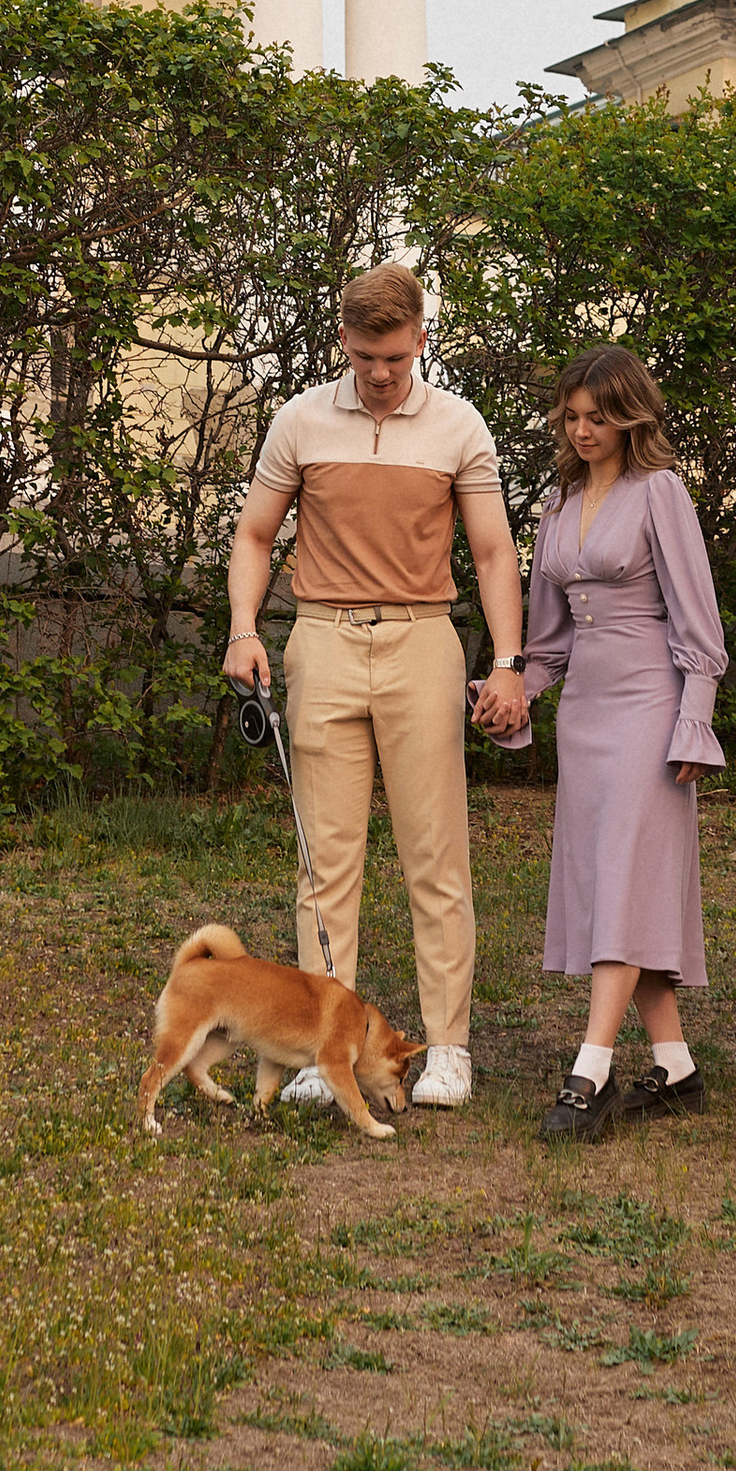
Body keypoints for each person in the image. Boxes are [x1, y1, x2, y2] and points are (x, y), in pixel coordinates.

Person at [225, 262, 525, 1110]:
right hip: (320, 639)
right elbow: (253, 535)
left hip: (423, 641)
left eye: (393, 356)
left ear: (420, 339)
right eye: (364, 357)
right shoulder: (301, 421)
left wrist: (507, 661)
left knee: (437, 859)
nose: (380, 373)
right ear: (345, 345)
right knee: (326, 863)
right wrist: (245, 629)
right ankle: (327, 1052)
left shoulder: (459, 427)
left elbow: (496, 552)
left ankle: (451, 1051)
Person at [477, 343, 726, 1138]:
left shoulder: (663, 493)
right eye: (573, 417)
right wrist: (512, 694)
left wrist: (696, 718)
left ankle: (590, 1072)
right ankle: (676, 1064)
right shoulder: (556, 502)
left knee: (623, 877)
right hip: (585, 712)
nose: (583, 431)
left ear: (630, 417)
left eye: (599, 418)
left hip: (653, 706)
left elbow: (701, 625)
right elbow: (547, 645)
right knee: (613, 880)